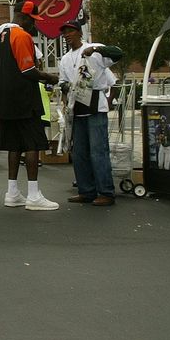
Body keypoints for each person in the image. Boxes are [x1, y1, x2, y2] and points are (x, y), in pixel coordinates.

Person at [0, 2, 61, 211]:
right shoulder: (21, 36)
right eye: (32, 20)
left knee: (14, 145)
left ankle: (12, 192)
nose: (34, 25)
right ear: (24, 17)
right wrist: (50, 77)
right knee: (32, 144)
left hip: (4, 99)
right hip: (23, 99)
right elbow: (28, 70)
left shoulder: (1, 35)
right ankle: (33, 195)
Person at [58, 20, 124, 207]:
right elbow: (62, 82)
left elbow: (118, 53)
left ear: (79, 32)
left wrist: (96, 49)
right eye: (64, 33)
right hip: (76, 107)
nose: (67, 35)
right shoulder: (65, 59)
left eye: (70, 31)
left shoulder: (94, 50)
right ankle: (86, 190)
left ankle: (106, 192)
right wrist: (67, 88)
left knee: (98, 151)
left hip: (95, 105)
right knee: (79, 153)